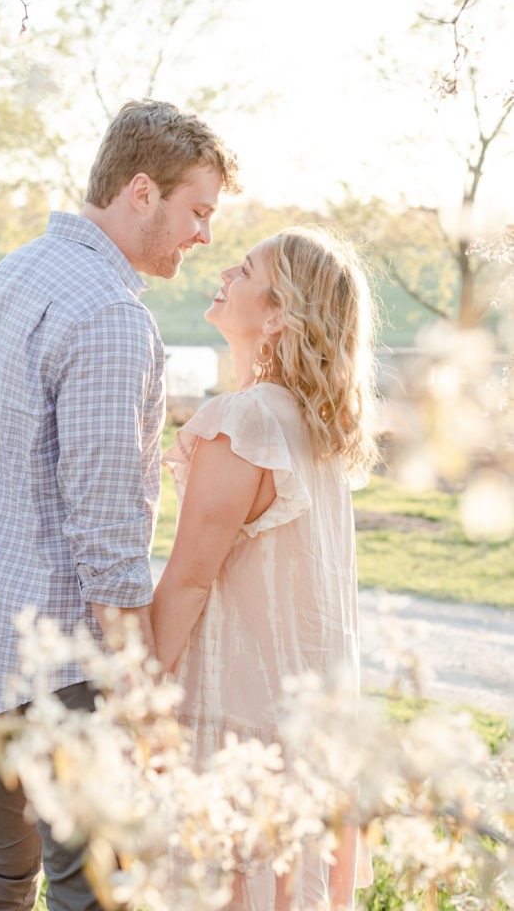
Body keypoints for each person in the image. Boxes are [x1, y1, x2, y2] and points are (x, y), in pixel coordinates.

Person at [0, 98, 239, 911]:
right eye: (197, 211)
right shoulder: (110, 318)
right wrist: (134, 689)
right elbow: (107, 540)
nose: (204, 235)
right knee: (93, 892)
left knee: (2, 871)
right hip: (62, 668)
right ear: (142, 191)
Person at [151, 226, 378, 910]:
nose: (224, 268)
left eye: (244, 269)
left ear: (279, 313)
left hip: (237, 715)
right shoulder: (316, 427)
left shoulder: (247, 421)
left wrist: (133, 699)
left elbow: (190, 578)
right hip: (300, 721)